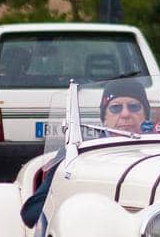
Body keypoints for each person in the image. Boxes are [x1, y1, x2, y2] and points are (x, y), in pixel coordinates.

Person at [20, 78, 152, 228]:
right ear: (104, 119)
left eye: (134, 107)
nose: (125, 114)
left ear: (146, 115)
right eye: (115, 108)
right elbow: (32, 213)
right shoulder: (78, 153)